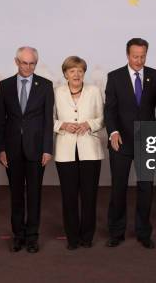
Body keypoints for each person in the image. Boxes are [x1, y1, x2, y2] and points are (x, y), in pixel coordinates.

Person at [105, 38, 156, 249]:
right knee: (118, 189)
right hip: (120, 142)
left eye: (143, 56)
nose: (139, 60)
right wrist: (112, 132)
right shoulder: (114, 77)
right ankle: (116, 232)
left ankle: (143, 232)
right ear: (127, 55)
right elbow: (110, 110)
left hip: (147, 142)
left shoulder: (155, 75)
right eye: (135, 56)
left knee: (146, 188)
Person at [0, 46, 54, 254]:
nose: (28, 67)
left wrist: (48, 149)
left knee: (35, 194)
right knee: (16, 195)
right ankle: (18, 236)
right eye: (24, 63)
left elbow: (48, 120)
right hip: (11, 150)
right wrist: (0, 149)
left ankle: (32, 237)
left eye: (32, 63)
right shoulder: (5, 86)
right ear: (16, 62)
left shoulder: (45, 86)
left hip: (37, 150)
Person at [53, 56, 104, 250]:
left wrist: (89, 124)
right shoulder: (56, 92)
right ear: (65, 73)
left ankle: (87, 237)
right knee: (69, 197)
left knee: (89, 197)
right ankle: (72, 238)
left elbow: (102, 118)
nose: (76, 74)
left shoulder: (94, 91)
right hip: (65, 151)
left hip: (90, 151)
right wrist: (62, 125)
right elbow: (47, 119)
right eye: (72, 71)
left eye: (80, 71)